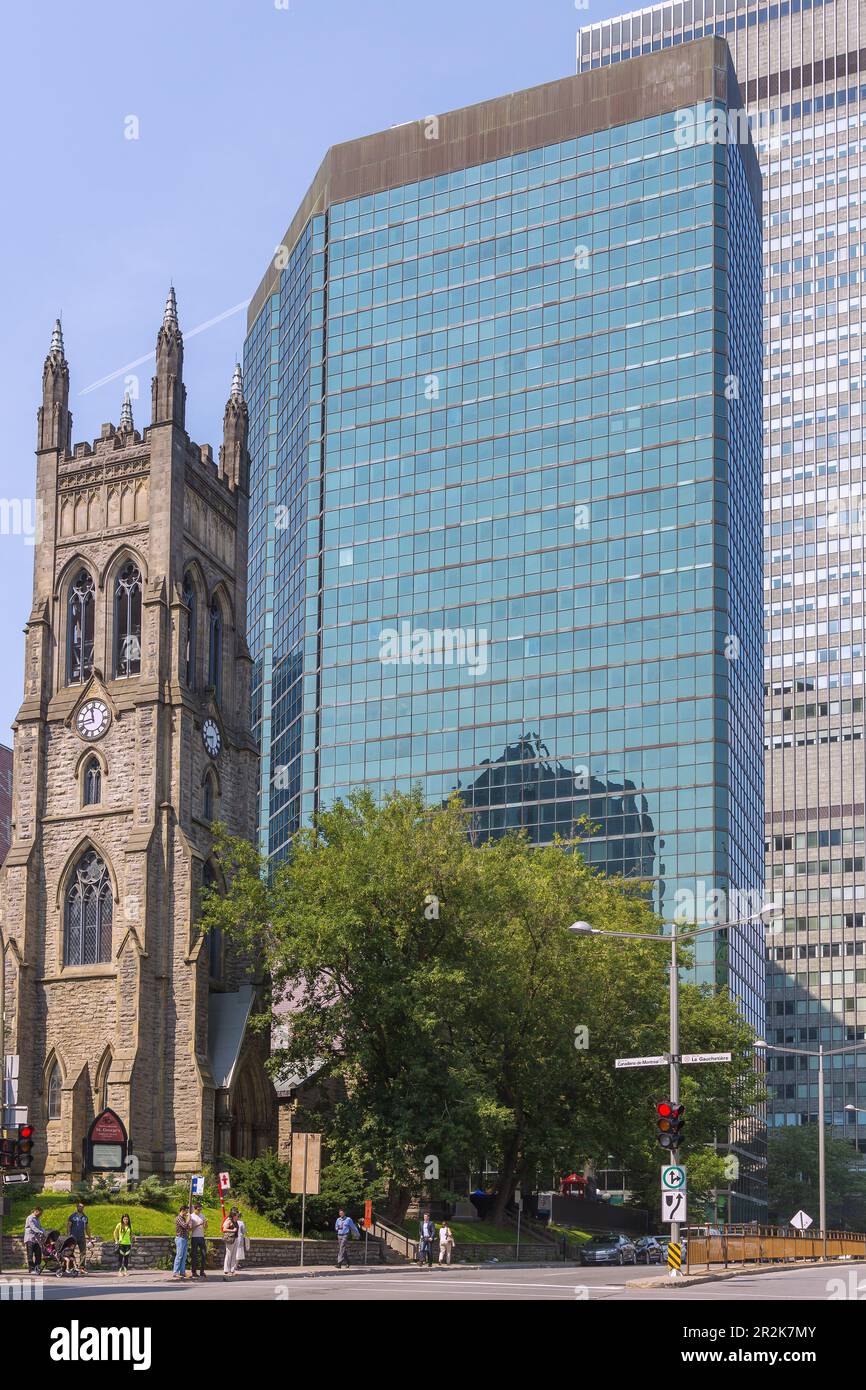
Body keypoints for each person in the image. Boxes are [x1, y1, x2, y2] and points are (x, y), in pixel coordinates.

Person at [67, 1201, 90, 1272]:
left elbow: (86, 1228)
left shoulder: (85, 1217)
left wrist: (89, 1236)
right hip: (73, 1237)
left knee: (83, 1252)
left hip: (81, 1237)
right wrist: (68, 1235)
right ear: (77, 1207)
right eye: (79, 1206)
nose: (81, 1208)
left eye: (82, 1207)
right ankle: (71, 1266)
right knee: (70, 1251)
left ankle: (81, 1267)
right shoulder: (72, 1216)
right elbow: (68, 1226)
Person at [188, 1201, 208, 1278]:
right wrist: (198, 1224)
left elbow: (205, 1227)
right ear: (195, 1209)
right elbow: (190, 1229)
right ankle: (194, 1272)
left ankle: (202, 1271)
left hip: (201, 1237)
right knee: (194, 1255)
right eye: (198, 1209)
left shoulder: (202, 1215)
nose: (200, 1211)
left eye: (201, 1209)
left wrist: (205, 1224)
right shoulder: (191, 1216)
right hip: (194, 1237)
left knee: (203, 1254)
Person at [24, 1207, 45, 1274]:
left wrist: (44, 1231)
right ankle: (31, 1269)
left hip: (36, 1240)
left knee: (38, 1255)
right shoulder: (30, 1218)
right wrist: (41, 1232)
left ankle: (36, 1268)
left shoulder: (37, 1219)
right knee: (30, 1255)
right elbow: (33, 1227)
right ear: (36, 1211)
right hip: (30, 1239)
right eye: (40, 1213)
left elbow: (39, 1227)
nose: (41, 1215)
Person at [172, 1206, 191, 1280]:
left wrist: (188, 1222)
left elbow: (188, 1227)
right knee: (179, 1256)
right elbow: (185, 1225)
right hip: (180, 1239)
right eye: (186, 1211)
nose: (187, 1213)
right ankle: (175, 1272)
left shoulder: (183, 1218)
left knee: (184, 1256)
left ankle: (182, 1272)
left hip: (185, 1238)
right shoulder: (179, 1218)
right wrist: (188, 1219)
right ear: (182, 1210)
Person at [222, 1207, 240, 1279]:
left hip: (235, 1238)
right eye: (236, 1214)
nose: (237, 1215)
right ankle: (226, 1270)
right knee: (229, 1254)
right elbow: (224, 1229)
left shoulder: (235, 1220)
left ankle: (232, 1269)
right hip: (230, 1239)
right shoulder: (229, 1220)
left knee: (234, 1254)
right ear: (233, 1214)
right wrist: (233, 1230)